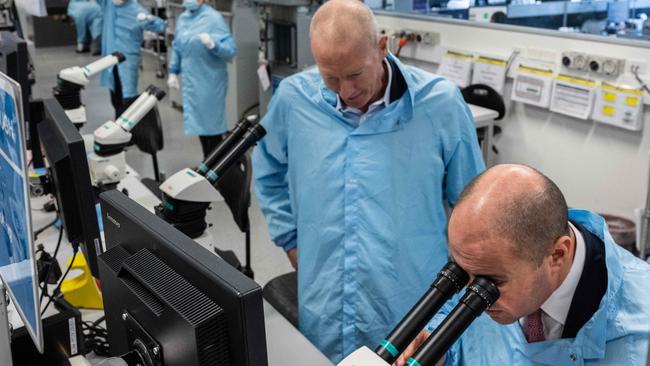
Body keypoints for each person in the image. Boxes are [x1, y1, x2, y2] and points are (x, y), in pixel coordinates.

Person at [252, 0, 485, 362]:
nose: (345, 91)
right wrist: (290, 239)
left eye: (355, 74)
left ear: (382, 46)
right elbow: (267, 168)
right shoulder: (294, 100)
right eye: (330, 77)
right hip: (325, 296)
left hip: (412, 298)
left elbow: (473, 204)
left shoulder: (439, 105)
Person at [396, 164, 650, 366]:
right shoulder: (484, 263)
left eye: (492, 283)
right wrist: (440, 355)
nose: (472, 293)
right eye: (463, 274)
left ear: (557, 255)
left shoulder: (641, 330)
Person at [167, 0, 236, 157]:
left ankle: (218, 171)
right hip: (191, 82)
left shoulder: (214, 18)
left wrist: (214, 45)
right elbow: (178, 47)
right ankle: (208, 166)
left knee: (212, 128)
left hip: (210, 82)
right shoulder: (183, 18)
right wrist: (173, 71)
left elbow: (230, 51)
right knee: (200, 128)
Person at [98, 0, 165, 112]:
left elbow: (160, 26)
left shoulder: (136, 10)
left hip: (127, 60)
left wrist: (150, 18)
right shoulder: (109, 4)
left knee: (127, 98)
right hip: (110, 59)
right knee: (115, 95)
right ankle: (118, 123)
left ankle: (126, 127)